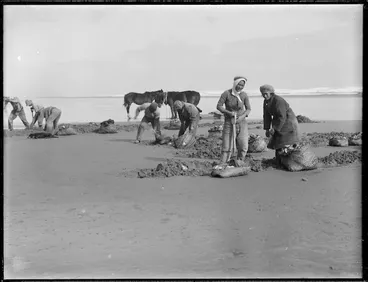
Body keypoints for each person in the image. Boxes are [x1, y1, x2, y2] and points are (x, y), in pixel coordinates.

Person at [260, 84, 301, 165]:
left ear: (271, 93)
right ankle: (279, 160)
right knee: (277, 140)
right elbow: (266, 115)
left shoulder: (278, 100)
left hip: (288, 120)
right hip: (278, 120)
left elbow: (282, 116)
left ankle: (290, 161)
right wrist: (267, 129)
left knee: (286, 140)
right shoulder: (266, 102)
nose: (264, 96)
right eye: (263, 94)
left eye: (266, 94)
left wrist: (274, 128)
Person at [216, 76, 251, 165]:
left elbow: (248, 109)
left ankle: (239, 162)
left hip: (242, 122)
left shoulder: (244, 95)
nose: (240, 87)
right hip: (229, 122)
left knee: (243, 146)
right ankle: (223, 163)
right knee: (226, 146)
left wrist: (242, 117)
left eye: (242, 85)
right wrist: (228, 113)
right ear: (235, 83)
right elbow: (219, 106)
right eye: (239, 84)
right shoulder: (226, 93)